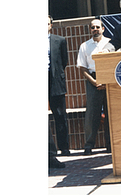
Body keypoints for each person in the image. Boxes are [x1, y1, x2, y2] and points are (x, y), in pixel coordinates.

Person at [77, 18, 111, 155]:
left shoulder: (110, 43)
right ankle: (89, 145)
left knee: (110, 113)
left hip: (109, 80)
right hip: (93, 80)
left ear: (103, 29)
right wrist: (94, 82)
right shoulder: (84, 46)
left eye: (98, 27)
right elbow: (83, 67)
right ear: (90, 30)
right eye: (93, 27)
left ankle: (110, 145)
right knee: (92, 114)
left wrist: (107, 81)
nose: (95, 29)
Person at [48, 15, 70, 156]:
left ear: (51, 25)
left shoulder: (59, 40)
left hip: (55, 80)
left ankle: (64, 147)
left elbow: (64, 61)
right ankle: (49, 150)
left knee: (60, 114)